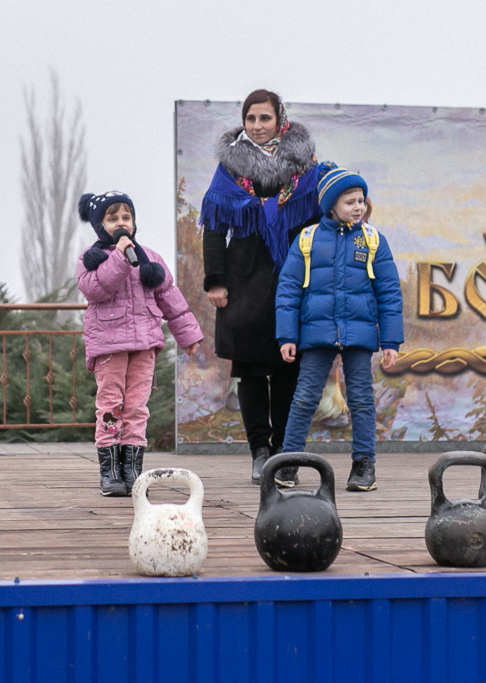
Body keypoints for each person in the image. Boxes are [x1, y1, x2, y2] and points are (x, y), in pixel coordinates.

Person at [201, 89, 335, 486]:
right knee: (251, 370)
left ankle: (285, 452)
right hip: (244, 278)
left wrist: (322, 275)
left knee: (289, 370)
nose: (257, 126)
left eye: (265, 118)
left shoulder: (306, 166)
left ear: (280, 120)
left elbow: (324, 222)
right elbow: (214, 225)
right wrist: (216, 280)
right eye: (251, 119)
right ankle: (260, 451)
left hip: (295, 276)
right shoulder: (230, 167)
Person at [275, 169, 404, 491]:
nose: (358, 207)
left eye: (361, 200)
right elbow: (288, 291)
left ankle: (364, 465)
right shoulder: (307, 239)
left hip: (359, 335)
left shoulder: (373, 240)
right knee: (304, 398)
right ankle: (288, 462)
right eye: (350, 202)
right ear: (332, 205)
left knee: (361, 400)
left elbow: (389, 293)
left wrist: (390, 341)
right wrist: (287, 336)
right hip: (317, 333)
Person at [77, 191, 203, 496]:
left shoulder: (151, 259)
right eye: (113, 218)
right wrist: (120, 256)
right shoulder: (91, 259)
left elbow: (169, 298)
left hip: (144, 345)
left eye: (126, 217)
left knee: (136, 407)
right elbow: (98, 289)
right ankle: (110, 473)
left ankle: (132, 471)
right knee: (111, 405)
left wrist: (187, 334)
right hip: (110, 347)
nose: (121, 223)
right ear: (100, 225)